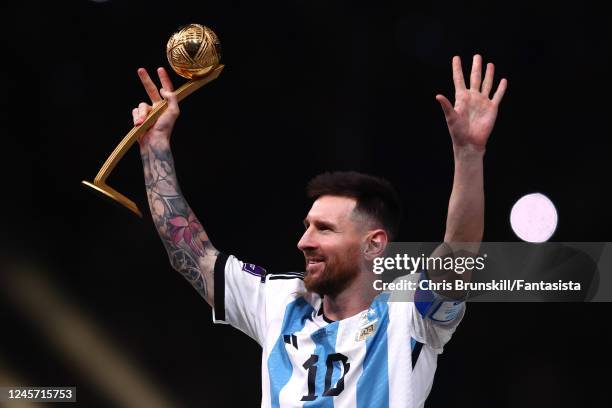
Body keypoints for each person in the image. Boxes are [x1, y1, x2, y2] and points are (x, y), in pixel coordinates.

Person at [133, 54, 507, 407]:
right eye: (307, 226)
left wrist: (470, 156)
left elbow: (458, 255)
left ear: (373, 244)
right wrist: (155, 148)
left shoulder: (408, 313)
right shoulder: (280, 301)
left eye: (324, 229)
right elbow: (191, 255)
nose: (304, 241)